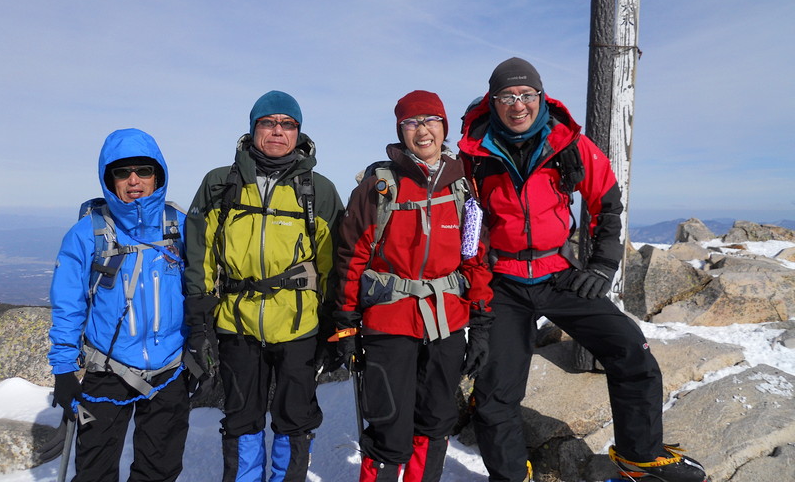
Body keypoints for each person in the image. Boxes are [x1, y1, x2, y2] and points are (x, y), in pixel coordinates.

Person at [458, 57, 708, 482]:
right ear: (493, 101)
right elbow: (468, 229)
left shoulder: (567, 143)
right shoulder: (474, 155)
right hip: (503, 282)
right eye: (507, 96)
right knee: (495, 391)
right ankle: (511, 475)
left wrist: (603, 265)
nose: (518, 105)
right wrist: (479, 303)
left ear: (540, 96)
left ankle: (639, 456)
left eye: (526, 95)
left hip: (558, 272)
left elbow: (607, 204)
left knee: (630, 349)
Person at [184, 90, 344, 482]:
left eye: (287, 124)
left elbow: (334, 264)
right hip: (236, 322)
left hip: (298, 325)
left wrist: (334, 326)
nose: (277, 131)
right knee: (241, 417)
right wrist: (200, 323)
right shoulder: (220, 183)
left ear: (299, 133)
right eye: (268, 123)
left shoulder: (317, 190)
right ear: (253, 129)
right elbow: (199, 254)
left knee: (294, 418)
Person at [334, 90, 493, 482]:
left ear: (444, 126)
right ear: (400, 131)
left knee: (437, 421)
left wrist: (483, 322)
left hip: (447, 321)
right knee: (389, 423)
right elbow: (351, 257)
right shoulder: (378, 187)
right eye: (411, 123)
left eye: (430, 121)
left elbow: (475, 258)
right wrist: (346, 323)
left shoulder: (464, 187)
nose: (422, 131)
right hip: (389, 321)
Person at [48, 128, 190, 482]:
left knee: (159, 471)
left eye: (143, 171)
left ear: (158, 174)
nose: (134, 181)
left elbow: (200, 290)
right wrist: (64, 369)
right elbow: (68, 304)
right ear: (108, 179)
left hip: (170, 368)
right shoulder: (86, 234)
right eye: (122, 173)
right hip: (106, 371)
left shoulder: (180, 227)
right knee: (95, 471)